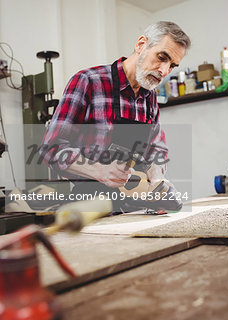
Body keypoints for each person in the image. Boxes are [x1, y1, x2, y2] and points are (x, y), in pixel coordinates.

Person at [41, 21, 191, 212]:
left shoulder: (149, 96)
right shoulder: (88, 81)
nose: (164, 71)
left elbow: (156, 148)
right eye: (162, 57)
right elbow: (50, 149)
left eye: (172, 66)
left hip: (132, 208)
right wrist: (99, 170)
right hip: (90, 207)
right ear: (141, 45)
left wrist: (157, 173)